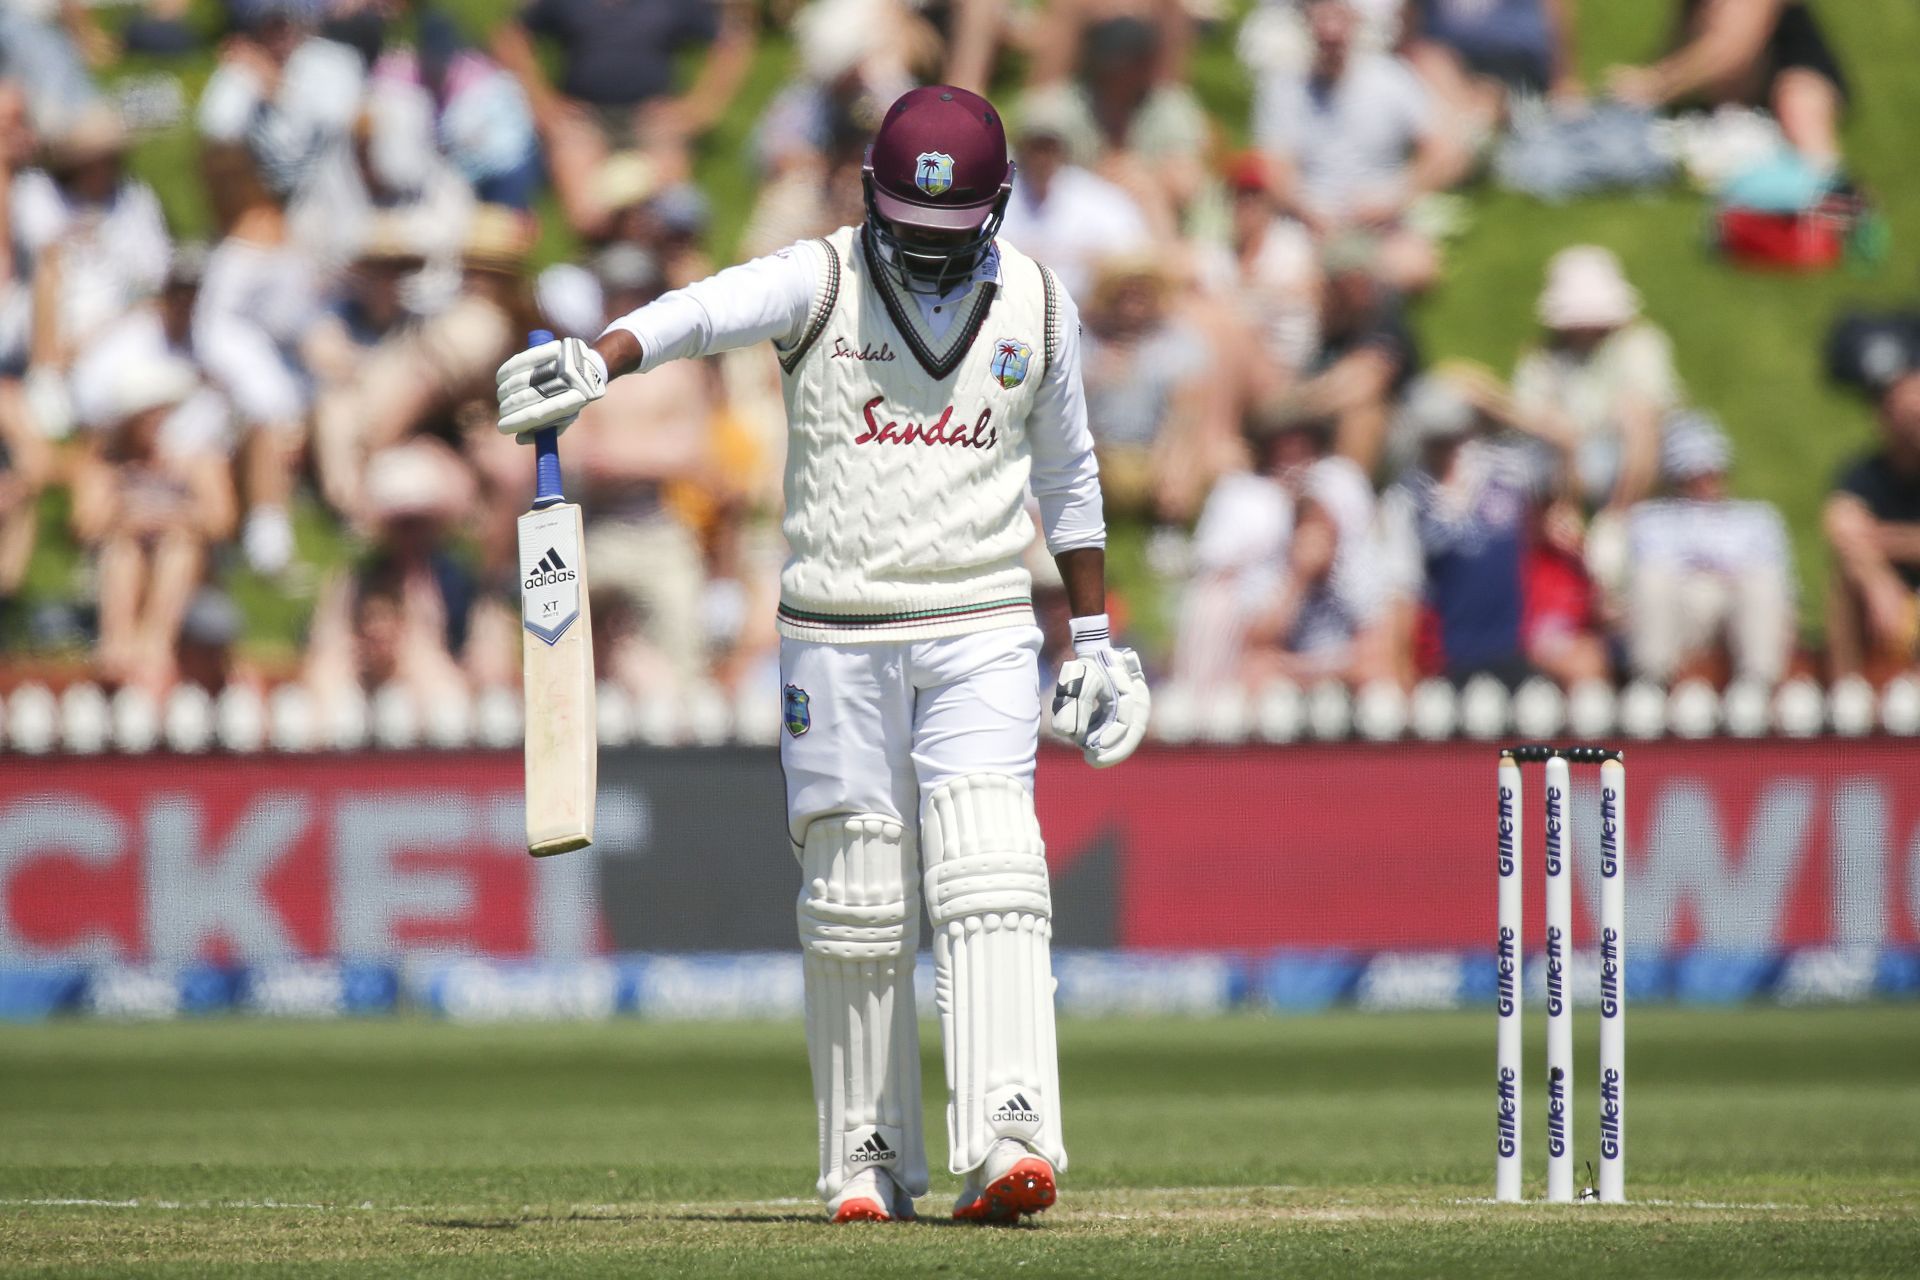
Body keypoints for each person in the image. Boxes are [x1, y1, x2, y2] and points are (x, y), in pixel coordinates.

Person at [495, 85, 1150, 1224]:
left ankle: (1007, 1134)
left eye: (954, 238)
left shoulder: (1038, 305)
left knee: (991, 862)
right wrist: (600, 361)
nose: (929, 258)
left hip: (984, 622)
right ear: (869, 200)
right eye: (910, 229)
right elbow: (704, 309)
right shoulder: (825, 277)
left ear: (997, 212)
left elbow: (1071, 477)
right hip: (836, 630)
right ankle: (869, 1149)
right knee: (853, 886)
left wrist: (1093, 635)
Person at [1377, 373, 1608, 687]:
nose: (1449, 448)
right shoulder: (1405, 500)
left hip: (1517, 651)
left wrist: (1494, 403)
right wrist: (1403, 676)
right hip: (1446, 663)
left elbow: (1565, 438)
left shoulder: (1505, 471)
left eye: (1455, 434)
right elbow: (1402, 595)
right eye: (1437, 438)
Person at [1251, 0, 1468, 292]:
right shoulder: (1285, 87)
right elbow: (1273, 167)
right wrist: (1310, 212)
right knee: (1282, 276)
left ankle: (1356, 292)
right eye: (1321, 20)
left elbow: (1445, 151)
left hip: (1380, 222)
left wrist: (1395, 197)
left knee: (1417, 266)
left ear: (1355, 23)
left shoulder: (1391, 79)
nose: (1330, 32)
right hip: (1310, 222)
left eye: (1338, 20)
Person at [1617, 412, 1794, 687]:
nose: (1705, 480)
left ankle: (1758, 683)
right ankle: (1651, 679)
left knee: (1762, 584)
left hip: (1735, 609)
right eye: (1694, 473)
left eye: (1711, 472)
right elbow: (1654, 571)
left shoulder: (1758, 519)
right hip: (1683, 612)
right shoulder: (1650, 520)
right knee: (1652, 581)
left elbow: (1779, 584)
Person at [1509, 246, 1680, 513]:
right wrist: (1557, 429)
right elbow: (1526, 412)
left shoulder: (1641, 343)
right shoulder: (1542, 357)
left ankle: (1623, 513)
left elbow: (1648, 412)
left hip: (1627, 447)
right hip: (1564, 451)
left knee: (1642, 421)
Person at [1607, 0, 1847, 170]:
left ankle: (1834, 193)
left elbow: (1731, 50)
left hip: (1795, 71)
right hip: (1737, 96)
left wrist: (1654, 85)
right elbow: (1685, 41)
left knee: (1798, 104)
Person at [1825, 369, 1920, 683]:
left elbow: (1862, 534)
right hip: (1894, 611)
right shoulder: (1865, 474)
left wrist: (1883, 539)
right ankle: (1847, 689)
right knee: (1849, 574)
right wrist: (1877, 579)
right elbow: (1842, 529)